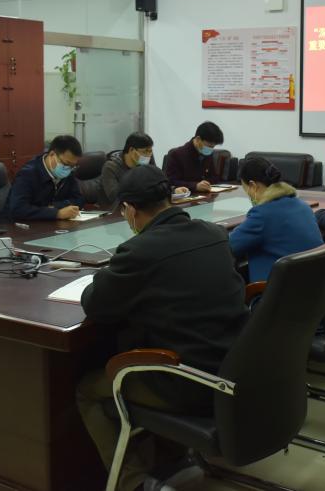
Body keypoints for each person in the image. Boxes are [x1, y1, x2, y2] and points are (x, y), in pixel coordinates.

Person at [76, 165, 248, 491]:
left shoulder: (140, 251)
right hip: (233, 368)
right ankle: (172, 459)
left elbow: (96, 304)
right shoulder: (213, 234)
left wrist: (104, 274)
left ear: (130, 209)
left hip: (188, 384)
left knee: (88, 390)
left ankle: (134, 483)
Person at [228, 157, 324, 282]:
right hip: (314, 286)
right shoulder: (303, 206)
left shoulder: (262, 214)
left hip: (275, 290)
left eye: (246, 190)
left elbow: (229, 246)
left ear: (253, 185)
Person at [4, 135, 85, 221]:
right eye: (66, 163)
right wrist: (57, 213)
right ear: (52, 154)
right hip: (16, 225)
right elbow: (18, 209)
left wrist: (55, 206)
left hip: (50, 223)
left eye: (73, 166)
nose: (68, 169)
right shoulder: (28, 174)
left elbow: (79, 199)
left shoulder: (68, 171)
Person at [97, 132, 158, 209]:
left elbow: (157, 183)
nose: (148, 155)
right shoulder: (111, 167)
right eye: (145, 151)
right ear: (131, 150)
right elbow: (115, 197)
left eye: (150, 151)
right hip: (114, 210)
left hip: (140, 207)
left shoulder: (148, 160)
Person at [163, 121, 224, 193]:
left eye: (213, 147)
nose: (211, 149)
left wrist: (206, 183)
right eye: (209, 146)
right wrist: (195, 186)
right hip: (186, 196)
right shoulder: (177, 155)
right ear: (198, 139)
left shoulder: (207, 153)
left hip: (205, 195)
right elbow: (171, 182)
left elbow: (214, 177)